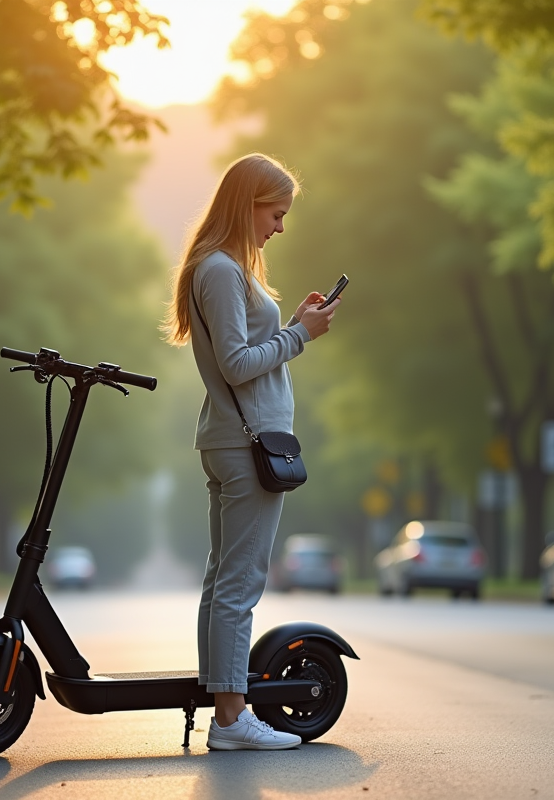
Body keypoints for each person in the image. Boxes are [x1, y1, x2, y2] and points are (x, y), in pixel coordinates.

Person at [162, 153, 340, 750]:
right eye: (276, 212)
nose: (281, 227)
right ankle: (233, 721)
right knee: (239, 582)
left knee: (222, 581)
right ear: (250, 203)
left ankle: (226, 708)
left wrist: (290, 323)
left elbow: (243, 350)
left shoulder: (221, 268)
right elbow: (238, 366)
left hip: (231, 439)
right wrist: (300, 337)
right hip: (247, 444)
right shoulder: (219, 269)